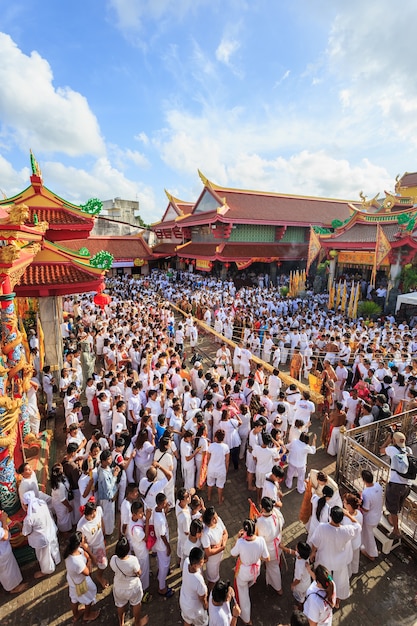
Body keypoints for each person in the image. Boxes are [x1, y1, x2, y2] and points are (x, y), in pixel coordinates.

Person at [310, 506, 359, 608]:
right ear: (342, 518)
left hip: (324, 561)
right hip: (340, 563)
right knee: (340, 582)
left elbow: (315, 543)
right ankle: (336, 601)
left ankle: (325, 598)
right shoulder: (347, 530)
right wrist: (348, 514)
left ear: (330, 516)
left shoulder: (322, 528)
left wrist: (313, 553)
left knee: (323, 581)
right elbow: (358, 525)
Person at [230, 518, 270, 625]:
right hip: (256, 570)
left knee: (244, 596)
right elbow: (267, 558)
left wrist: (238, 539)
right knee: (251, 582)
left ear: (244, 530)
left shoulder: (241, 542)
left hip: (244, 573)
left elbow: (232, 553)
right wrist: (257, 557)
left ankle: (247, 619)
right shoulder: (261, 540)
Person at [380, 431, 413, 538]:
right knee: (398, 506)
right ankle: (393, 520)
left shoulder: (392, 449)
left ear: (394, 440)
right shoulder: (408, 450)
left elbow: (381, 450)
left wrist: (388, 440)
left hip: (396, 485)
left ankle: (396, 531)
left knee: (392, 508)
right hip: (407, 485)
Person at [22, 490, 61, 579]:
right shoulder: (42, 504)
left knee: (44, 556)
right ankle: (57, 560)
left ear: (25, 505)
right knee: (54, 547)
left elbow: (26, 532)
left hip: (41, 539)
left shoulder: (29, 518)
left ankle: (47, 571)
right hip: (50, 531)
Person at [110, 536, 148, 626]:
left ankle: (121, 623)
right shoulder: (133, 560)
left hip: (119, 587)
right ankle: (137, 623)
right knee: (136, 604)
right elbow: (139, 572)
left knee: (120, 605)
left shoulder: (113, 559)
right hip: (133, 587)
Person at [64, 531, 100, 623]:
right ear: (79, 543)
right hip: (81, 581)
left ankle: (76, 615)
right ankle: (87, 615)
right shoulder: (76, 562)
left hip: (73, 580)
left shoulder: (70, 552)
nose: (85, 539)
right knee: (89, 597)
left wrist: (86, 552)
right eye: (83, 539)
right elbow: (87, 572)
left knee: (74, 598)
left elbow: (84, 554)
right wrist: (88, 561)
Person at [77, 501, 109, 590]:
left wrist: (104, 537)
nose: (91, 518)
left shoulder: (99, 510)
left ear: (95, 510)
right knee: (88, 569)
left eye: (92, 515)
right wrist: (91, 556)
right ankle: (90, 584)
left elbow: (102, 523)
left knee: (103, 564)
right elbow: (83, 543)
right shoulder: (81, 525)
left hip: (100, 544)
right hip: (89, 548)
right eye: (88, 516)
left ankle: (99, 577)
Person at [256, 496, 283, 595]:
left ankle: (278, 588)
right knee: (273, 566)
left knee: (273, 567)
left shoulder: (261, 521)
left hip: (269, 550)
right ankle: (271, 582)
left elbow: (259, 536)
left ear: (262, 508)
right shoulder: (276, 512)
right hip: (277, 544)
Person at [0, 508, 27, 594]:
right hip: (2, 553)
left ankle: (15, 584)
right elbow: (4, 536)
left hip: (4, 550)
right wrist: (4, 520)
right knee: (7, 571)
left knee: (9, 569)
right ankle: (13, 588)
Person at [179, 546, 208, 626]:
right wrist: (206, 605)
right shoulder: (198, 580)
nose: (203, 563)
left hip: (184, 603)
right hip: (195, 610)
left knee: (187, 621)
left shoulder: (186, 562)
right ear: (195, 565)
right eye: (202, 562)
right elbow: (202, 597)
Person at [201, 506, 228, 590]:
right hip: (212, 561)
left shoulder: (218, 520)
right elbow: (208, 552)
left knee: (216, 574)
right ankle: (209, 594)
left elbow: (225, 533)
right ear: (210, 521)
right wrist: (222, 547)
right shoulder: (206, 534)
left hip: (219, 556)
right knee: (212, 580)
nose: (217, 519)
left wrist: (220, 543)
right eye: (214, 518)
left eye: (216, 517)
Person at [153, 492, 174, 598]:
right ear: (160, 504)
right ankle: (162, 588)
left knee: (160, 561)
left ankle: (159, 573)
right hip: (162, 545)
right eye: (165, 503)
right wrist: (168, 546)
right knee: (164, 566)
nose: (166, 504)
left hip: (159, 544)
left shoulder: (156, 510)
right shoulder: (160, 520)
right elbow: (162, 535)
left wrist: (165, 511)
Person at [360, 469, 383, 560]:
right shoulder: (378, 486)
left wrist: (359, 505)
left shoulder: (366, 493)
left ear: (363, 480)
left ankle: (372, 554)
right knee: (368, 535)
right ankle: (369, 550)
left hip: (370, 518)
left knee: (368, 536)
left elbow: (366, 509)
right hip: (377, 515)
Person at [96, 449, 120, 536]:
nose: (111, 461)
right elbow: (108, 489)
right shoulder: (103, 474)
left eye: (110, 458)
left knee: (110, 516)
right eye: (109, 459)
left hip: (109, 498)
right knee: (107, 517)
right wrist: (115, 476)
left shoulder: (105, 467)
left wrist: (113, 470)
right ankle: (107, 532)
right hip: (107, 499)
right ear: (103, 461)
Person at [206, 429, 230, 504]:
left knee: (210, 484)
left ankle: (209, 497)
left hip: (211, 469)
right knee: (220, 485)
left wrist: (207, 466)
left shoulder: (211, 446)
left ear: (215, 437)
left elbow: (208, 458)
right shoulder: (226, 447)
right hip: (221, 470)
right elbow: (227, 460)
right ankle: (220, 500)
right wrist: (226, 469)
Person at [50, 462, 73, 535]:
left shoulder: (60, 478)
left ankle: (67, 528)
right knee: (62, 517)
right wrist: (69, 506)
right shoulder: (59, 486)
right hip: (60, 504)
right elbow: (62, 499)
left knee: (65, 516)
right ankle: (63, 531)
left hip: (62, 501)